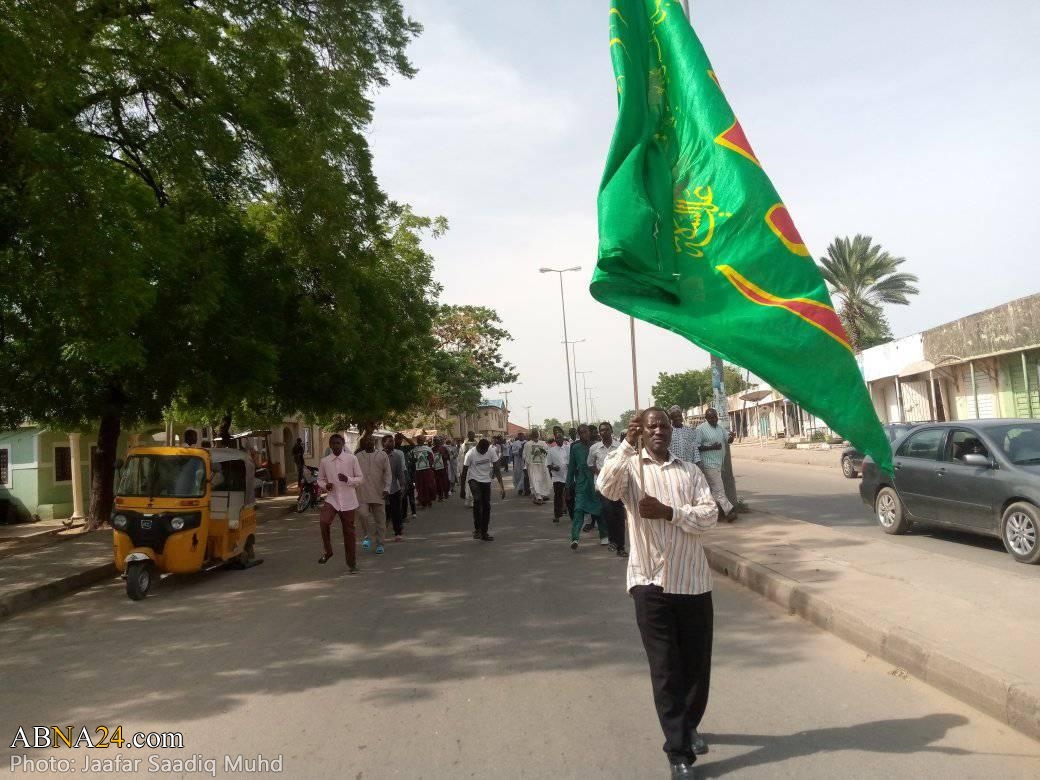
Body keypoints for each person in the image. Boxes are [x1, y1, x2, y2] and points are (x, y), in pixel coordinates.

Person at [597, 409, 719, 777]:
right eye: (651, 426)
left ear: (672, 430)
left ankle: (689, 723)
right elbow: (605, 487)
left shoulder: (689, 471)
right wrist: (624, 444)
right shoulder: (632, 468)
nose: (659, 431)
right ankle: (679, 752)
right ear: (641, 431)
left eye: (664, 425)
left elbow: (709, 515)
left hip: (693, 580)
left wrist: (669, 512)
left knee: (695, 665)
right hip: (650, 581)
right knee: (666, 668)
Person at [317, 433, 364, 572]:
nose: (336, 446)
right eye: (333, 443)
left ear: (342, 444)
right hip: (332, 499)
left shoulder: (352, 459)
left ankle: (352, 563)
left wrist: (348, 479)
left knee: (349, 532)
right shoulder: (325, 461)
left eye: (338, 443)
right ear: (330, 445)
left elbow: (360, 478)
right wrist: (326, 486)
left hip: (349, 500)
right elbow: (320, 479)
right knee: (324, 522)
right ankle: (328, 551)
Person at [589, 421, 626, 557]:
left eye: (606, 429)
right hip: (602, 487)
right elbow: (590, 464)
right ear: (599, 433)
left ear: (611, 431)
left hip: (617, 486)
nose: (604, 432)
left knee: (619, 515)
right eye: (602, 430)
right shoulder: (594, 448)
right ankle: (613, 540)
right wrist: (601, 473)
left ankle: (621, 546)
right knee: (608, 513)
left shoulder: (620, 446)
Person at [693, 409, 736, 521]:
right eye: (711, 417)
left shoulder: (720, 428)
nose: (714, 419)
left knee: (713, 490)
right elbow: (696, 446)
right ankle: (729, 511)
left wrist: (732, 437)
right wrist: (711, 447)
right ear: (706, 418)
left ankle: (711, 513)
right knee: (719, 489)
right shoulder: (700, 429)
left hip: (718, 463)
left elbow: (728, 440)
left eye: (715, 417)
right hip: (708, 464)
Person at [566, 424, 604, 549]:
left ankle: (604, 536)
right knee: (578, 510)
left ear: (590, 432)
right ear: (578, 434)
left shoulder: (597, 446)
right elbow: (571, 468)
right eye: (581, 433)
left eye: (585, 432)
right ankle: (575, 538)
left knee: (599, 510)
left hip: (595, 482)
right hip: (581, 483)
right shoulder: (575, 448)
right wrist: (568, 487)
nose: (583, 435)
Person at [355, 434, 391, 554]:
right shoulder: (358, 456)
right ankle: (367, 537)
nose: (369, 442)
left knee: (380, 520)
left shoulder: (382, 455)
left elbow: (387, 473)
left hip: (379, 492)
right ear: (363, 443)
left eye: (371, 440)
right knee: (363, 515)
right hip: (362, 492)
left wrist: (387, 488)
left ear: (375, 442)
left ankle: (380, 543)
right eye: (367, 440)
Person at [460, 438, 496, 541]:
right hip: (474, 480)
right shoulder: (470, 454)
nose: (484, 452)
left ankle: (484, 532)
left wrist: (502, 486)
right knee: (478, 501)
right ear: (478, 447)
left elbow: (497, 467)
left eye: (486, 450)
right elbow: (464, 472)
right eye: (482, 450)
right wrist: (462, 489)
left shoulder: (490, 450)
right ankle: (478, 529)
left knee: (487, 506)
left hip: (486, 480)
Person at [383, 434, 407, 542]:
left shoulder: (397, 456)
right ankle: (381, 531)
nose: (392, 443)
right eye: (389, 441)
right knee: (383, 512)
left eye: (392, 441)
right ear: (383, 443)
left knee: (396, 511)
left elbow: (399, 473)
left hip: (394, 488)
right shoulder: (379, 456)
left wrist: (402, 485)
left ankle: (397, 532)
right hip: (382, 489)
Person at [546, 430, 570, 523]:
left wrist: (570, 465)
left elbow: (572, 461)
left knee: (569, 495)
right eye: (557, 438)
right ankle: (557, 515)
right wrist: (553, 467)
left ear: (563, 438)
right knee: (558, 496)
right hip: (557, 477)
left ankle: (569, 511)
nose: (559, 439)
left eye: (560, 437)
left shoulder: (568, 448)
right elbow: (548, 464)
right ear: (555, 439)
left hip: (567, 475)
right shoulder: (551, 451)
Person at [523, 429, 552, 504]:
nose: (536, 435)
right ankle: (539, 497)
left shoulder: (543, 443)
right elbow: (524, 456)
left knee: (540, 480)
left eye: (537, 434)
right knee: (535, 481)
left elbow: (547, 453)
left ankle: (540, 497)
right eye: (535, 434)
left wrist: (540, 453)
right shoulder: (528, 444)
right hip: (533, 467)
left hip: (541, 466)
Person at [411, 435, 437, 509]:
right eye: (418, 439)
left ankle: (429, 500)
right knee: (420, 486)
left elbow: (432, 458)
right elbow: (412, 460)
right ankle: (423, 502)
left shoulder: (428, 449)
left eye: (421, 439)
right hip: (418, 471)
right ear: (417, 440)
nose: (420, 441)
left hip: (427, 470)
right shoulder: (414, 449)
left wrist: (429, 464)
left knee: (429, 485)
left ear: (423, 440)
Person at [396, 433, 417, 519]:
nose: (399, 441)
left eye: (400, 439)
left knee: (410, 494)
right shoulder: (391, 449)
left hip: (407, 474)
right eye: (397, 439)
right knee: (403, 497)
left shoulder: (403, 448)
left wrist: (405, 437)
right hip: (397, 476)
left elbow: (413, 445)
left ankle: (413, 512)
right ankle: (404, 516)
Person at [432, 436, 451, 501]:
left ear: (440, 442)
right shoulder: (432, 449)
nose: (436, 442)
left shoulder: (444, 448)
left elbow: (448, 457)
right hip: (436, 469)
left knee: (445, 481)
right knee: (437, 482)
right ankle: (440, 495)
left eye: (438, 441)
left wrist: (443, 456)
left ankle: (446, 493)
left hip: (443, 467)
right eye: (435, 441)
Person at [490, 435, 507, 499]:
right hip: (491, 464)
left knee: (499, 477)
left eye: (495, 440)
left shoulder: (498, 446)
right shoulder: (489, 447)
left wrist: (497, 459)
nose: (494, 441)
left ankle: (502, 490)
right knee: (489, 478)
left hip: (496, 463)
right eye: (493, 440)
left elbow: (500, 453)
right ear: (491, 440)